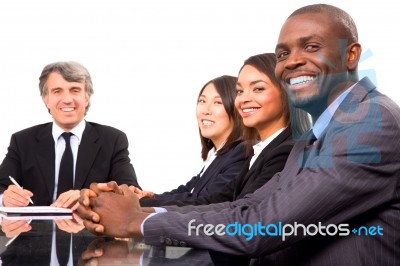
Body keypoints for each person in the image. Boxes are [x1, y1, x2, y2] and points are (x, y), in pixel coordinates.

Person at [77, 4, 400, 265]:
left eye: (312, 47)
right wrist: (138, 210)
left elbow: (261, 225)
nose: (293, 62)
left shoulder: (372, 124)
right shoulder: (316, 133)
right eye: (283, 54)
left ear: (351, 55)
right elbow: (246, 206)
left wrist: (137, 222)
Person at [139, 53, 310, 208]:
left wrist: (143, 218)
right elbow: (214, 200)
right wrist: (141, 205)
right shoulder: (258, 153)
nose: (244, 98)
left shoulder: (286, 152)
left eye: (258, 88)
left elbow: (239, 215)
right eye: (239, 91)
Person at [0, 61, 140, 208]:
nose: (67, 100)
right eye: (57, 91)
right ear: (45, 99)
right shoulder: (22, 141)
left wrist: (89, 196)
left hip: (92, 228)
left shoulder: (113, 140)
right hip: (36, 229)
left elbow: (131, 191)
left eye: (75, 90)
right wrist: (5, 198)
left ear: (87, 97)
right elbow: (1, 186)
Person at [135, 75, 248, 202]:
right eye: (202, 101)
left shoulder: (242, 153)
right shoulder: (217, 155)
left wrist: (141, 202)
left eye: (218, 102)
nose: (205, 110)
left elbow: (205, 200)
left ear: (238, 109)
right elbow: (189, 190)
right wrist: (148, 196)